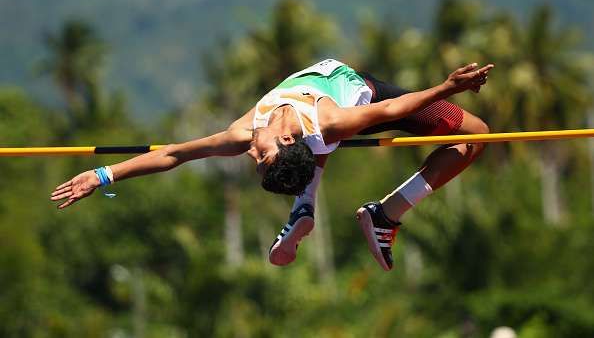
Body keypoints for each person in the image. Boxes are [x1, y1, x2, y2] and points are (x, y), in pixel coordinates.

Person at [50, 59, 493, 271]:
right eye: (261, 159)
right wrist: (447, 86)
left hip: (358, 102)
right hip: (365, 96)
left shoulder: (247, 134)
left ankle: (362, 211)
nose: (250, 155)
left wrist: (104, 174)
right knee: (478, 134)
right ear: (284, 140)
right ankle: (342, 209)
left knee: (476, 136)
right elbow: (395, 109)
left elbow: (174, 154)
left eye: (258, 160)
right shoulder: (331, 123)